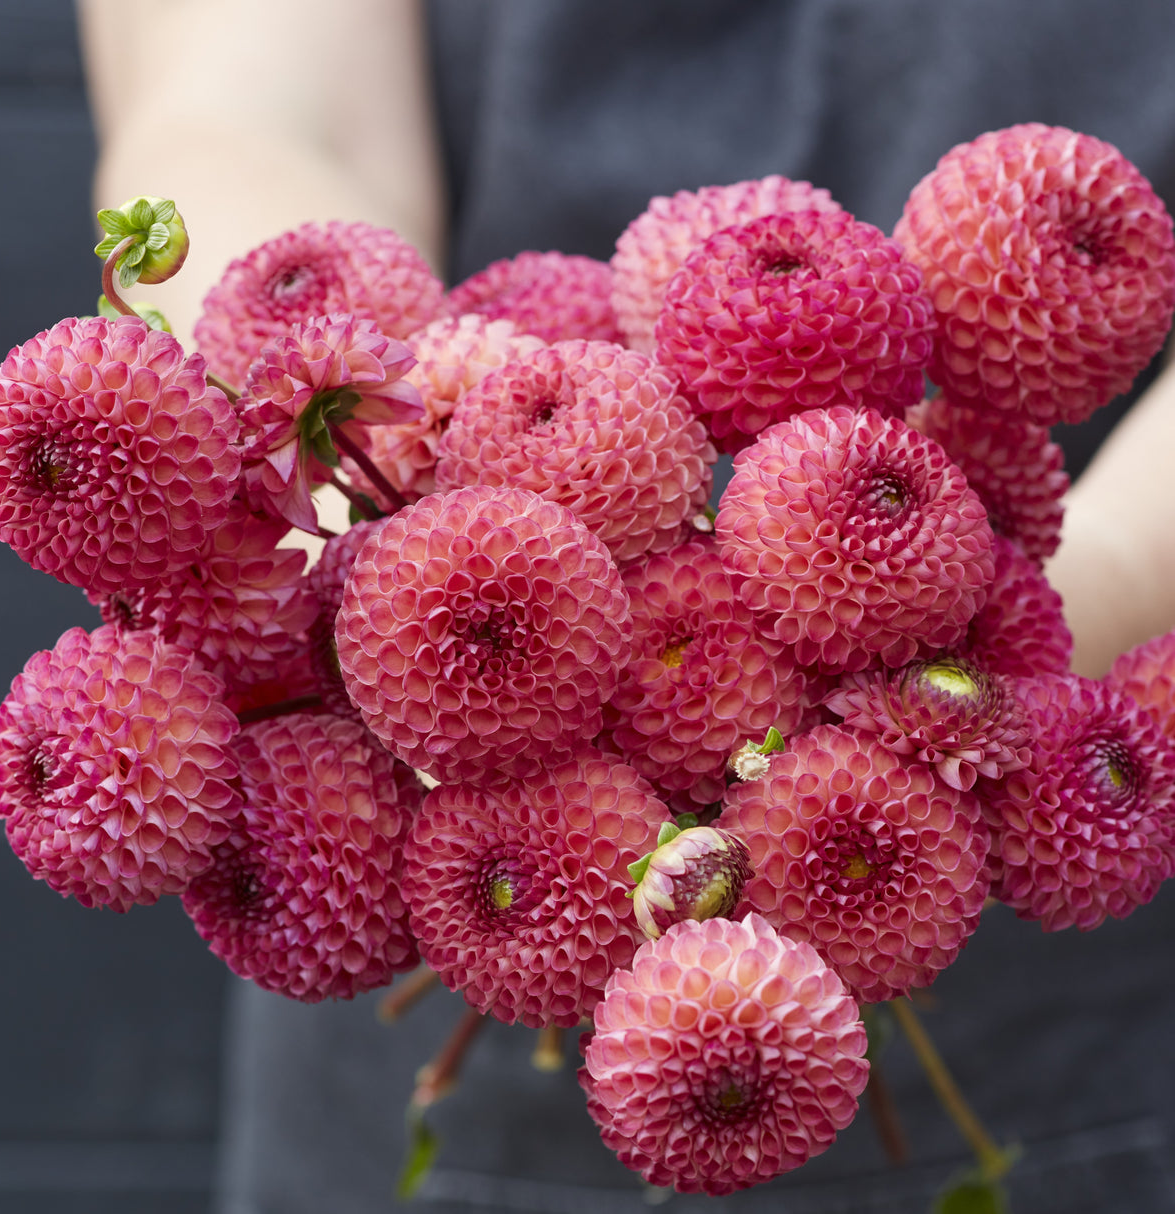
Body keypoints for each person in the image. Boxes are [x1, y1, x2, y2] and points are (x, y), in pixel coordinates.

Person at [79, 2, 1175, 1211]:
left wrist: (1063, 598)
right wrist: (346, 480)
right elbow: (252, 107)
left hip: (1055, 929)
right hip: (441, 859)